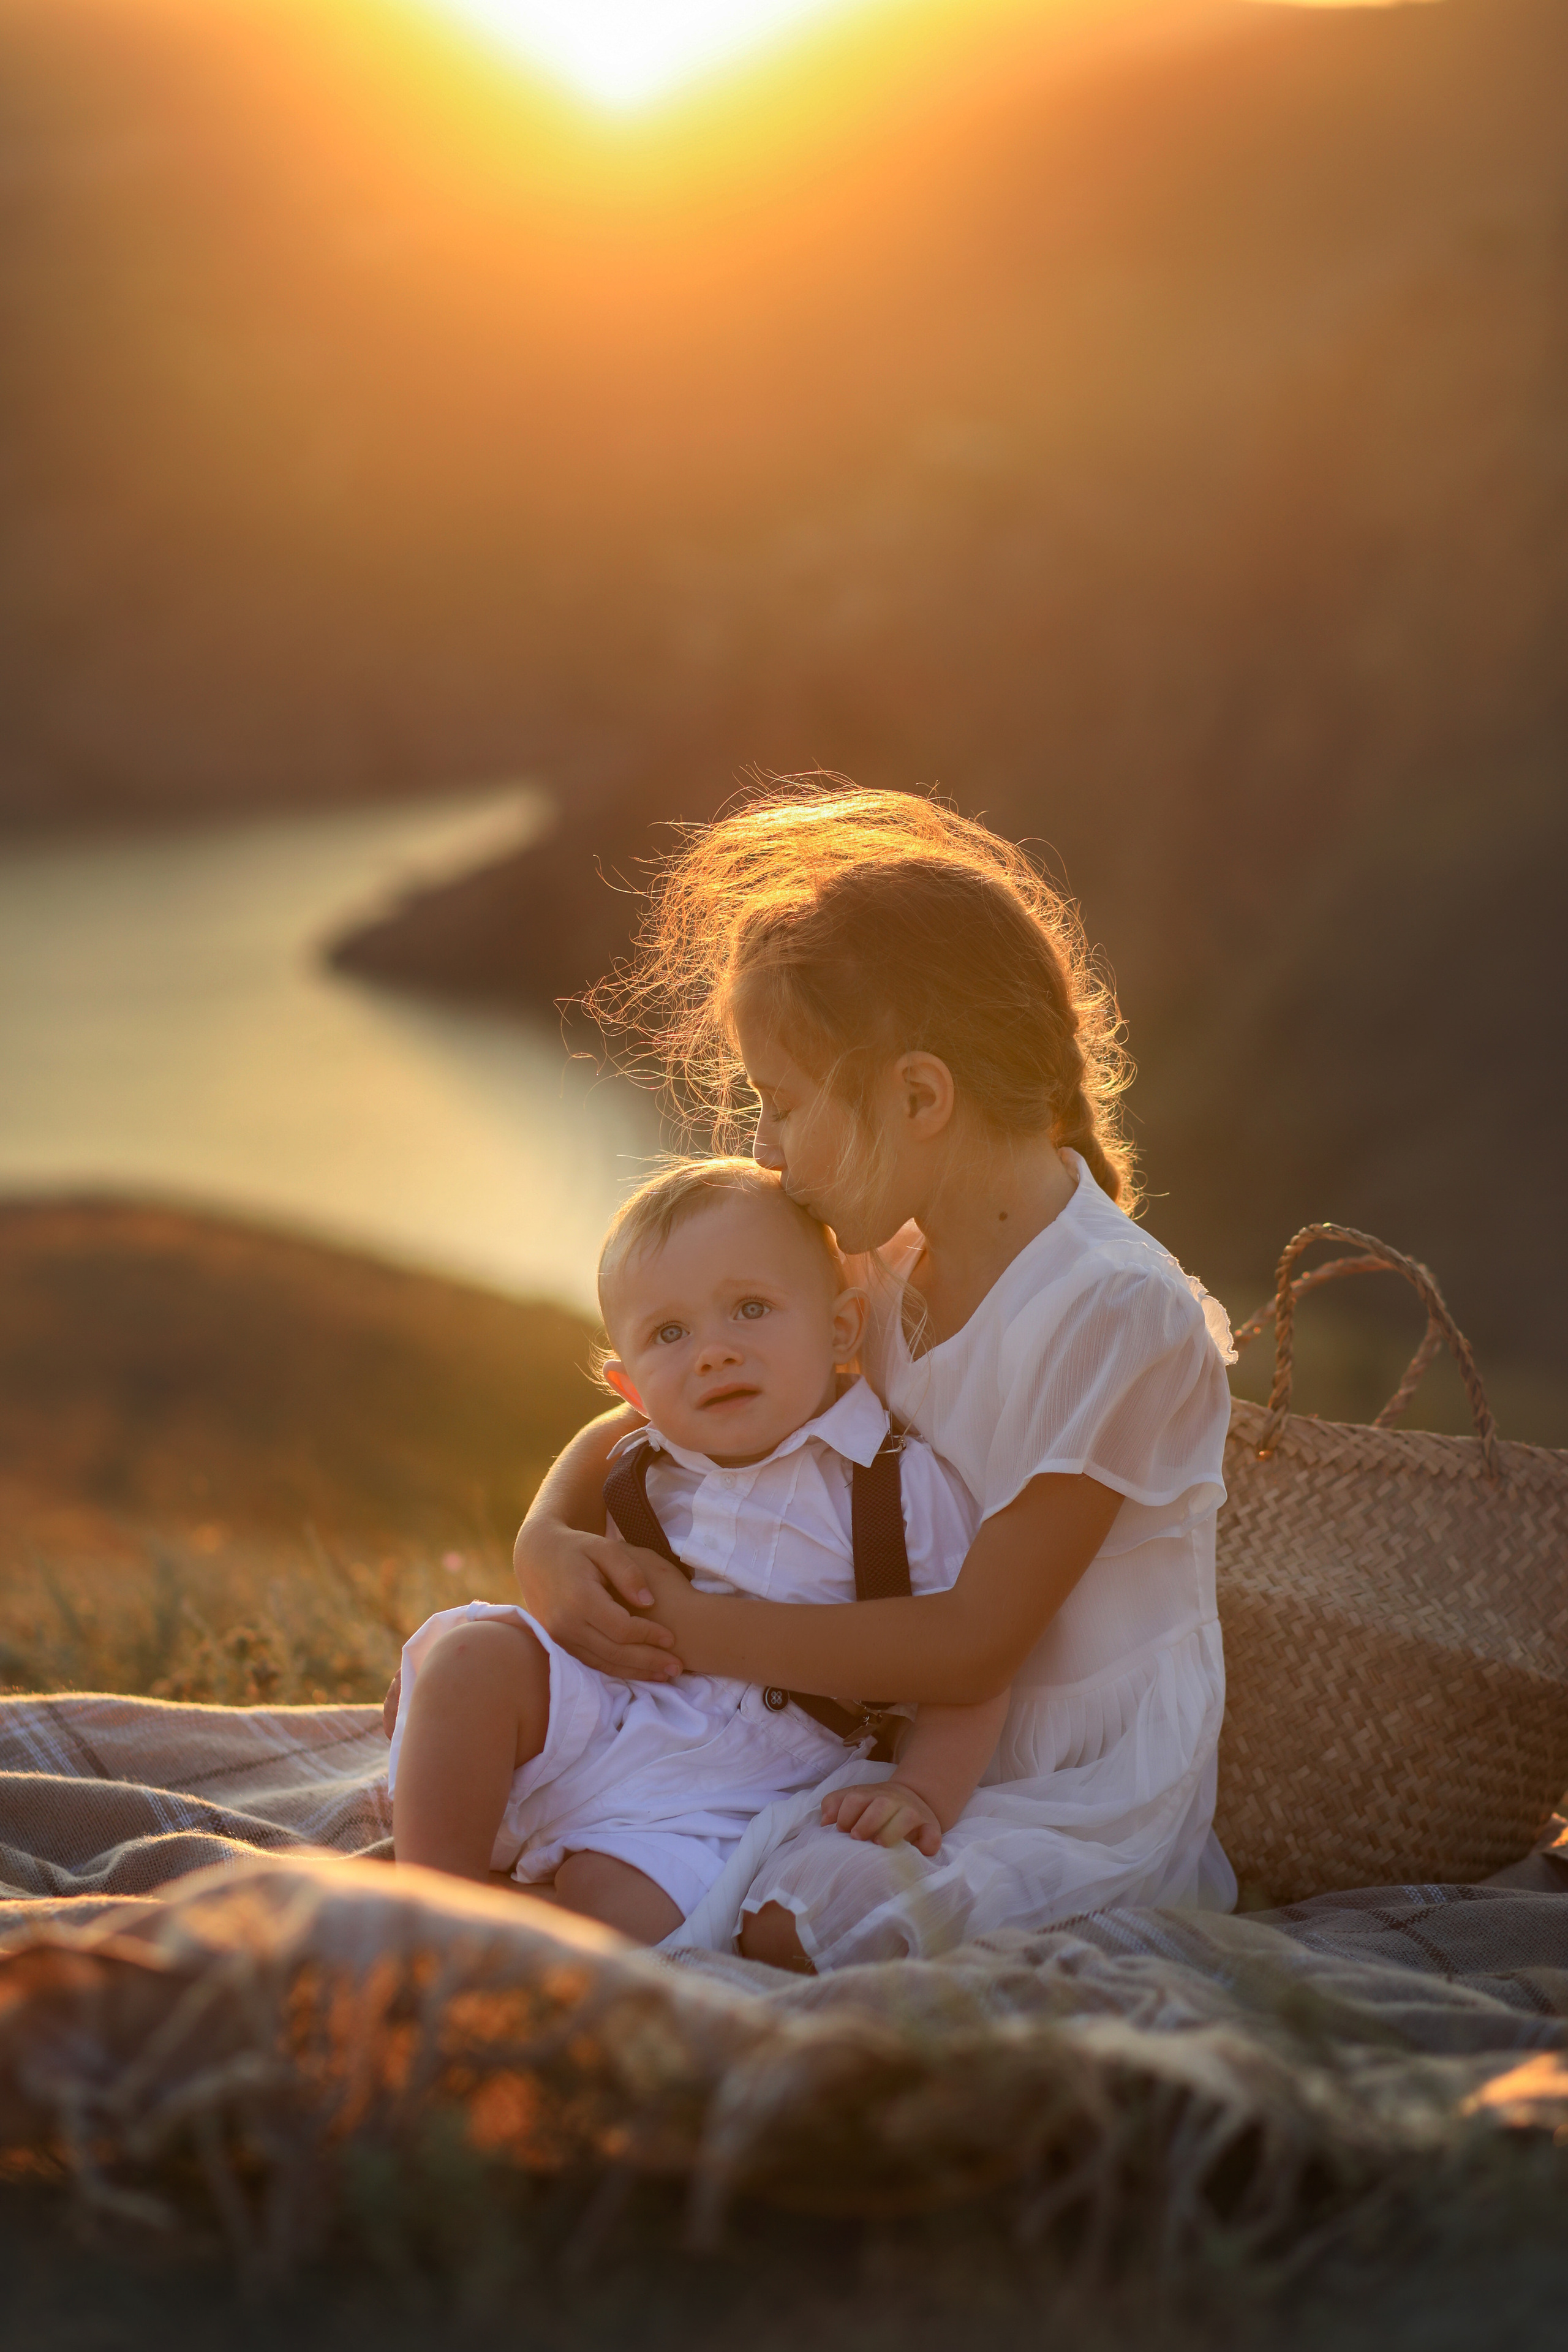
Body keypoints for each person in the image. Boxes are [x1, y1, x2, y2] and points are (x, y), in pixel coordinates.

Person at [510, 782, 1238, 1973]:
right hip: (858, 1738)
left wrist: (679, 1629)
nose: (758, 1149)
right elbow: (652, 1411)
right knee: (596, 1843)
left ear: (917, 1098)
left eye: (780, 1104)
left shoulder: (1118, 1312)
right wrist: (548, 1542)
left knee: (796, 1919)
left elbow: (968, 1649)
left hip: (1062, 1785)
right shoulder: (878, 1262)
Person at [386, 1156, 992, 1945]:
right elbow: (569, 1593)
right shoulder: (643, 1463)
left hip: (737, 1780)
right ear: (631, 1388)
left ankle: (499, 1941)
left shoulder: (895, 1483)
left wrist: (923, 1791)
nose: (712, 1352)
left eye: (750, 1308)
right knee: (470, 1662)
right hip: (611, 1701)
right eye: (670, 1334)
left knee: (615, 1905)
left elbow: (966, 1665)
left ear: (840, 1328)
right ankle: (423, 1906)